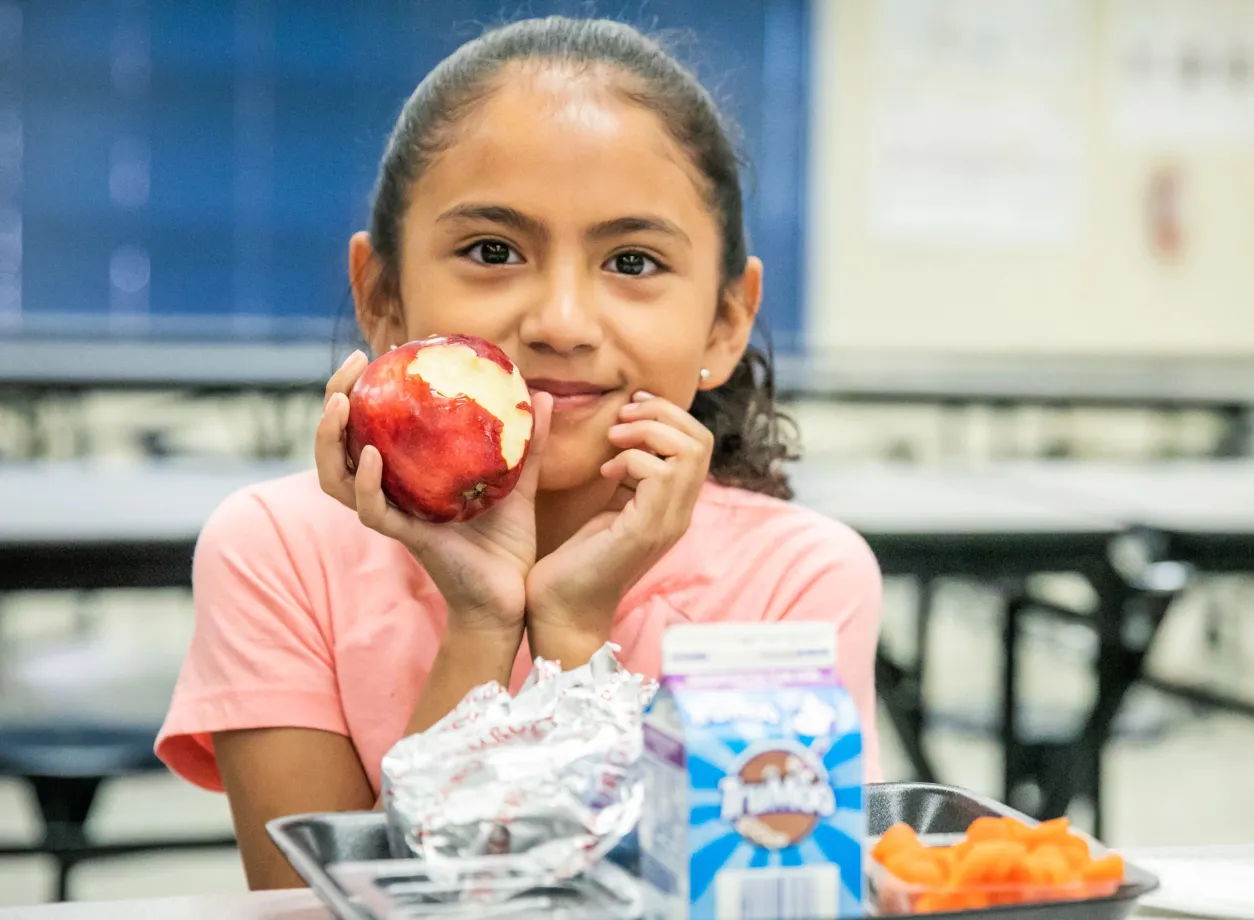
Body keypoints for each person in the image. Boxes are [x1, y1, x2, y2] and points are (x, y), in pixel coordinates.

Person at [154, 16, 883, 890]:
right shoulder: (277, 551)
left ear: (725, 322)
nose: (562, 323)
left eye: (634, 260)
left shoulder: (800, 583)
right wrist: (483, 624)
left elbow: (735, 899)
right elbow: (313, 908)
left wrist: (572, 631)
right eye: (492, 251)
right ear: (382, 297)